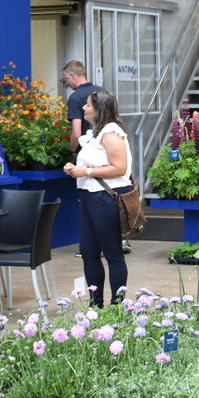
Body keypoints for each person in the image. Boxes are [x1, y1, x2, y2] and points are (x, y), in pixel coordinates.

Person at [63, 88, 132, 306]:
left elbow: (120, 168)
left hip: (106, 199)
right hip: (89, 197)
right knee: (89, 253)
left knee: (113, 254)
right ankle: (96, 305)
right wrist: (75, 168)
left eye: (88, 105)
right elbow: (94, 163)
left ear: (98, 109)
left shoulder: (111, 133)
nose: (84, 108)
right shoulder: (95, 133)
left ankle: (117, 306)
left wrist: (86, 171)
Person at [62, 60, 100, 153]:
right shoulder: (102, 92)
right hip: (103, 147)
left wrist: (73, 151)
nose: (66, 83)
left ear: (72, 76)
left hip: (86, 151)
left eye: (66, 79)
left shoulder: (75, 97)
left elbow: (76, 134)